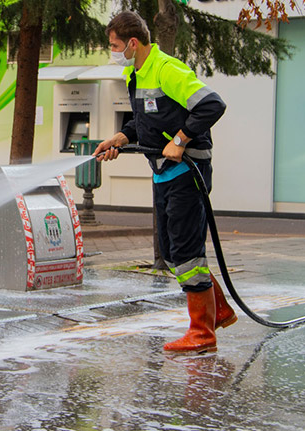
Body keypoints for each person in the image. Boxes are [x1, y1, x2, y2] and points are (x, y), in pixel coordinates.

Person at [93, 11, 237, 354]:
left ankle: (202, 333)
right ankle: (221, 311)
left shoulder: (167, 68)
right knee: (172, 253)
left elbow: (212, 106)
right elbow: (147, 119)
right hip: (164, 171)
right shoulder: (136, 73)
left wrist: (182, 138)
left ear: (132, 42)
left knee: (186, 252)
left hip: (189, 171)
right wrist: (121, 137)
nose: (112, 52)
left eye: (114, 45)